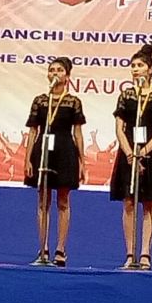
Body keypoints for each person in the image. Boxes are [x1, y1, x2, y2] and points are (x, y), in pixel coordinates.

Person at [110, 44, 152, 270]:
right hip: (128, 152)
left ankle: (145, 253)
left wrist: (143, 153)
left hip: (151, 153)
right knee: (128, 201)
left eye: (139, 65)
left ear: (150, 69)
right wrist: (130, 153)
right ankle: (130, 253)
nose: (135, 69)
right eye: (133, 66)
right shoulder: (127, 95)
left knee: (149, 202)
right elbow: (119, 128)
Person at [23, 57, 86, 266]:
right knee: (43, 201)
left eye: (59, 70)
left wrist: (82, 161)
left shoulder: (73, 102)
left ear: (67, 76)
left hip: (65, 151)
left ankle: (60, 249)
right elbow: (33, 131)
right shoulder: (40, 101)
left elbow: (78, 133)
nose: (55, 73)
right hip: (42, 151)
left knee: (63, 200)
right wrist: (27, 159)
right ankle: (43, 249)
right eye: (51, 70)